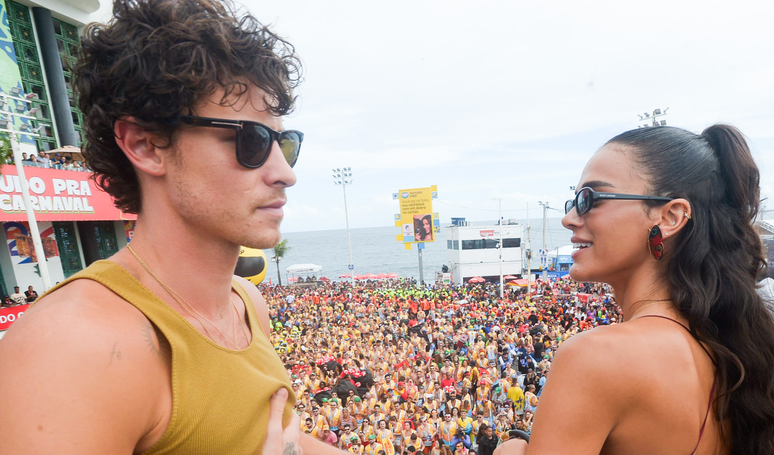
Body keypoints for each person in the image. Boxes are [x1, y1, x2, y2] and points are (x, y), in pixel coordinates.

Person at [0, 0, 325, 454]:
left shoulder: (245, 303)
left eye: (283, 143)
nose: (285, 173)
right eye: (250, 140)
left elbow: (282, 440)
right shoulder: (73, 346)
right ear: (146, 145)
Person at [497, 125, 774, 454]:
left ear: (670, 217)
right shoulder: (734, 345)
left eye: (590, 199)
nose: (569, 218)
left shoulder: (596, 357)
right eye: (574, 200)